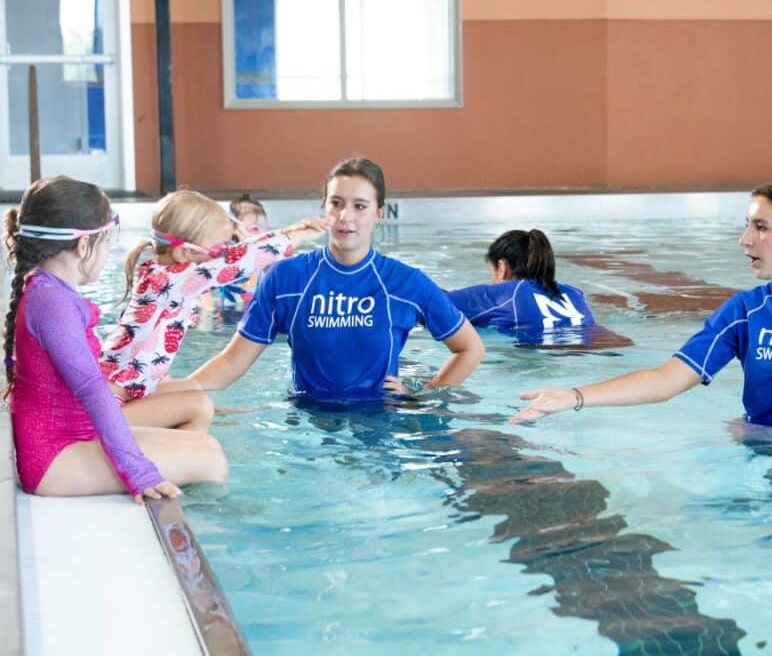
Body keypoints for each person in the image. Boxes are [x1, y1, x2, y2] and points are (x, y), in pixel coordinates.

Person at [512, 181, 772, 432]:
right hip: (763, 453)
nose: (745, 239)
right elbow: (664, 380)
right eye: (747, 225)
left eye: (761, 227)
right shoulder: (746, 311)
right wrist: (574, 397)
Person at [3, 176, 227, 501]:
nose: (109, 251)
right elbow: (93, 391)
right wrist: (139, 472)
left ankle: (178, 503)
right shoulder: (52, 303)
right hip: (54, 458)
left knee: (207, 446)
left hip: (70, 436)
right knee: (211, 461)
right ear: (83, 246)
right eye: (107, 240)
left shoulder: (50, 292)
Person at [190, 157, 485, 400]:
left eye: (360, 206)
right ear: (325, 208)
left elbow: (470, 348)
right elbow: (230, 363)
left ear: (379, 214)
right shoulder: (287, 279)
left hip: (379, 426)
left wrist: (425, 395)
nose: (346, 216)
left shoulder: (405, 284)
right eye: (336, 203)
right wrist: (169, 391)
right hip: (309, 430)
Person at [101, 189, 325, 428]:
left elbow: (232, 256)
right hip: (111, 402)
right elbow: (237, 261)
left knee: (200, 403)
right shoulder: (173, 280)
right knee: (200, 409)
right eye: (217, 250)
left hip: (124, 390)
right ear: (183, 252)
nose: (223, 254)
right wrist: (292, 236)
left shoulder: (159, 273)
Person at [447, 229, 632, 349]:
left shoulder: (507, 293)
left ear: (502, 267)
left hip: (535, 361)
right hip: (599, 351)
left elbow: (432, 299)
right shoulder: (574, 294)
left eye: (492, 271)